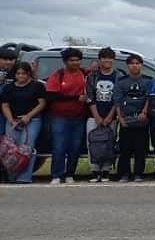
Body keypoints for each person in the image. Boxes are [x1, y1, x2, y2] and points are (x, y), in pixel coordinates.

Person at [45, 47, 89, 184]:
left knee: (75, 147)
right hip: (59, 117)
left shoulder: (83, 73)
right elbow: (51, 95)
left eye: (77, 60)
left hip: (79, 117)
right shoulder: (58, 75)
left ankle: (70, 174)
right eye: (72, 60)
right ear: (65, 61)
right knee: (59, 146)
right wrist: (76, 98)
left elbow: (98, 70)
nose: (75, 63)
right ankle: (56, 175)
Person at [0, 62, 46, 183]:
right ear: (15, 74)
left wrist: (28, 116)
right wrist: (10, 120)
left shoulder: (37, 86)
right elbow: (5, 105)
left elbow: (42, 103)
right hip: (12, 121)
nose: (21, 76)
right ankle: (12, 176)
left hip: (32, 121)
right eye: (18, 73)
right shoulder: (8, 88)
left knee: (27, 148)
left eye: (24, 74)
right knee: (11, 149)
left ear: (28, 74)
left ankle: (24, 177)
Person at [114, 54, 152, 182]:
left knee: (140, 149)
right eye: (132, 63)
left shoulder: (148, 80)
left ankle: (138, 174)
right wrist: (120, 118)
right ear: (128, 65)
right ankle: (124, 174)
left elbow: (149, 97)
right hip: (126, 119)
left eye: (137, 63)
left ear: (141, 65)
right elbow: (117, 101)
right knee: (125, 149)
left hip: (141, 119)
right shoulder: (121, 82)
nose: (135, 65)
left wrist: (144, 112)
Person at [84, 47, 118, 182]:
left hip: (112, 115)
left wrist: (110, 116)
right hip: (93, 115)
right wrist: (97, 116)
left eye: (110, 57)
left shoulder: (118, 76)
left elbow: (118, 98)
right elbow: (90, 97)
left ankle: (106, 171)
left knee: (109, 142)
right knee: (92, 142)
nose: (107, 60)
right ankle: (94, 171)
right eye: (104, 58)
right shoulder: (92, 76)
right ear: (99, 60)